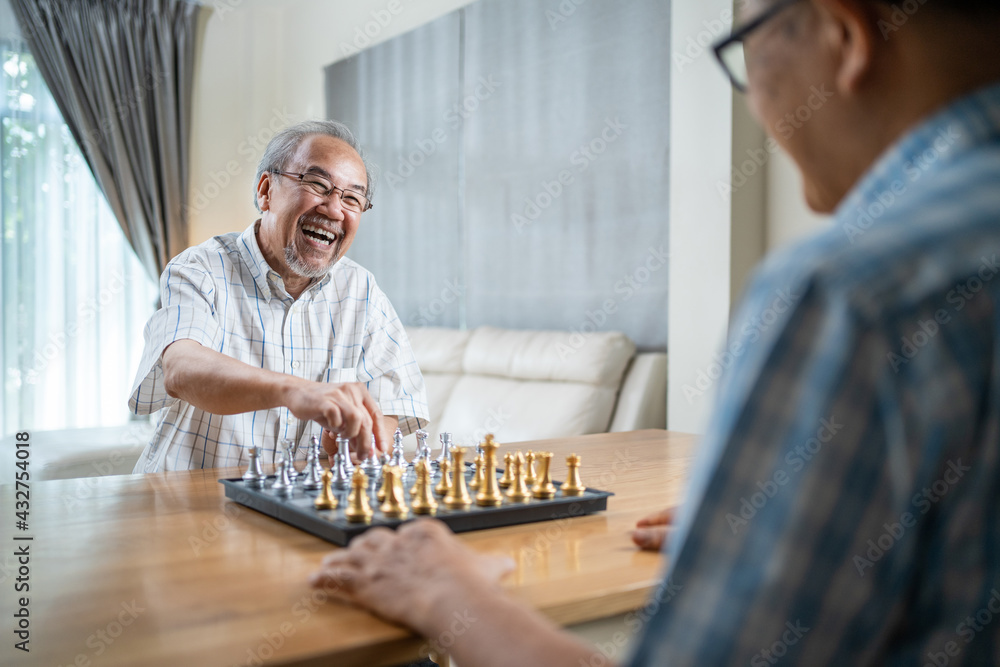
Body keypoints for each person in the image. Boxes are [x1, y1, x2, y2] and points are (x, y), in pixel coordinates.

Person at [309, 1, 1000, 665]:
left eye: (745, 54)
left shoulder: (850, 294)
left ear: (845, 37)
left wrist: (447, 592)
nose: (751, 100)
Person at [128, 120, 428, 472]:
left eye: (352, 198)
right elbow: (181, 369)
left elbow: (389, 408)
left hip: (299, 510)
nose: (334, 209)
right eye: (317, 184)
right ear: (266, 191)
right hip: (187, 504)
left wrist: (358, 440)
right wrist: (297, 391)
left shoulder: (362, 291)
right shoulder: (200, 268)